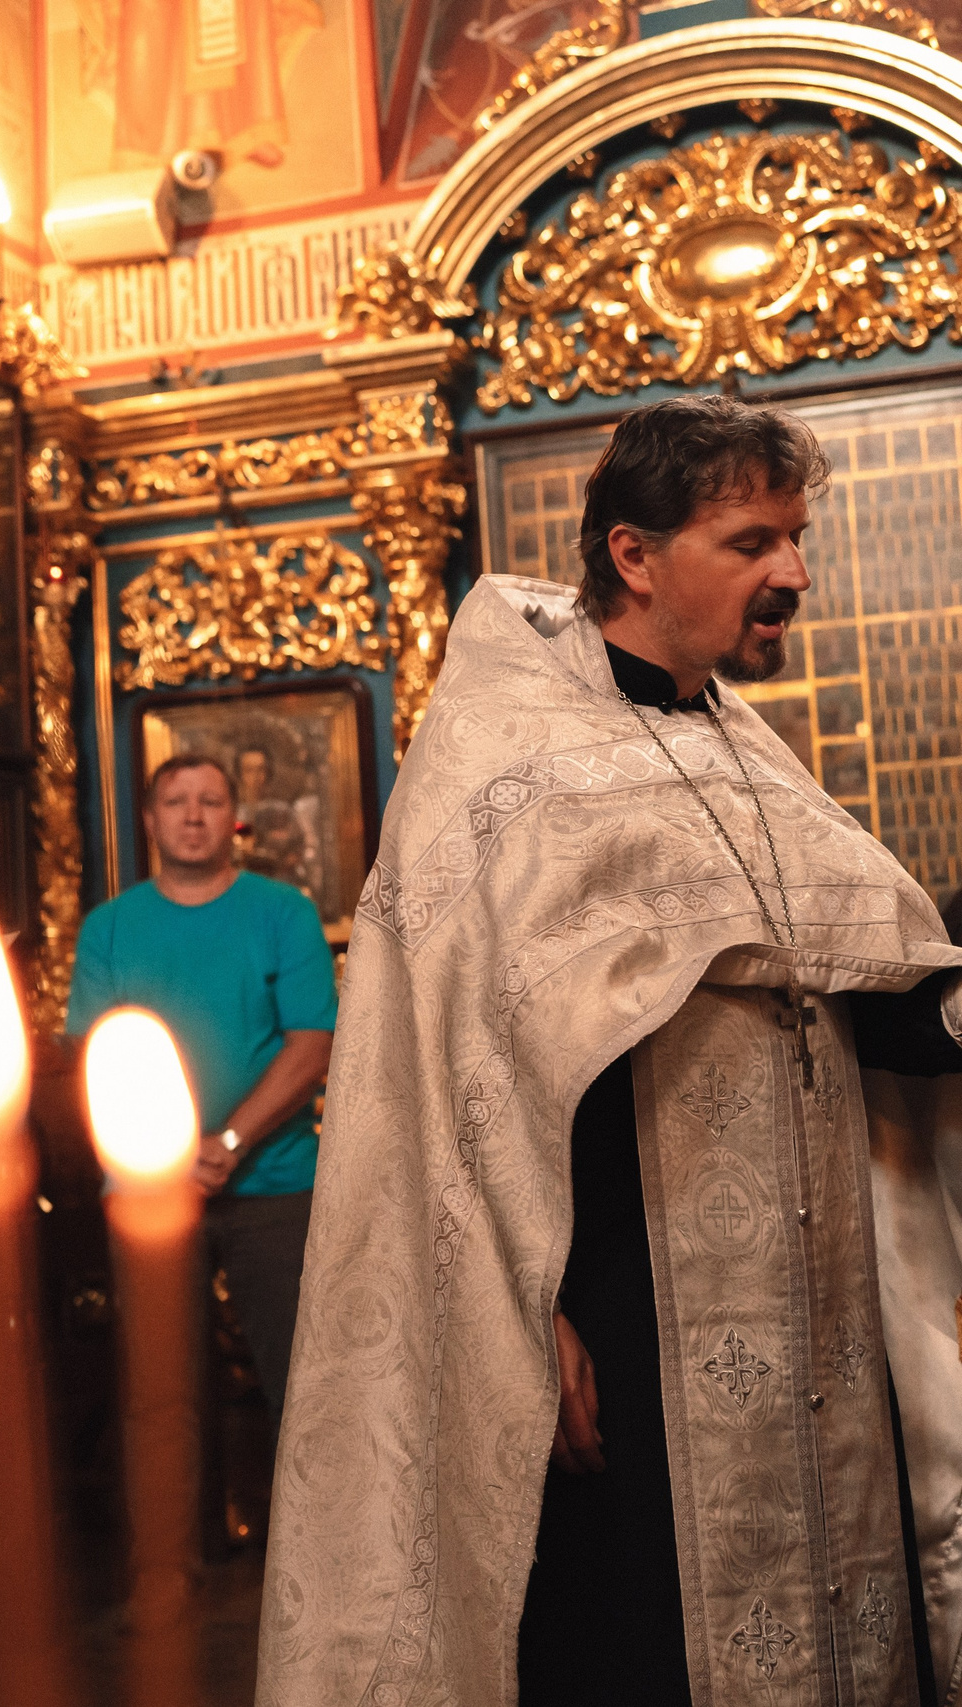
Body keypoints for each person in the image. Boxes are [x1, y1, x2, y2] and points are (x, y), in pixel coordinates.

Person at [258, 396, 962, 1707]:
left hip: (814, 1310)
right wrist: (536, 1314)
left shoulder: (737, 745)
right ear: (634, 555)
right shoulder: (502, 767)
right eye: (753, 540)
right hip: (625, 1307)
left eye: (796, 538)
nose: (793, 573)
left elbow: (861, 973)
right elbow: (462, 1075)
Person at [65, 752, 336, 1421]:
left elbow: (314, 1043)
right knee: (163, 1402)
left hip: (275, 1185)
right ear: (150, 820)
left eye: (210, 800)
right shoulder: (110, 925)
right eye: (176, 800)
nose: (192, 814)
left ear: (235, 819)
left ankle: (304, 1530)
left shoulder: (284, 912)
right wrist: (166, 1151)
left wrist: (230, 1141)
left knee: (305, 1392)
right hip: (147, 1189)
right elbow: (96, 1054)